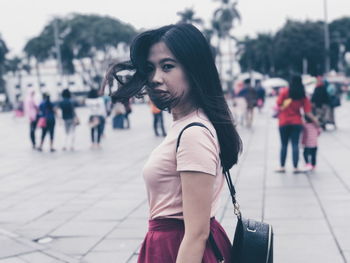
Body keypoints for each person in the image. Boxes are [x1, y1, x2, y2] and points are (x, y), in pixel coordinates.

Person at [102, 23, 242, 263]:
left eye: (167, 67)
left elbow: (197, 233)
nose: (155, 78)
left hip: (179, 246)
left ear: (193, 69)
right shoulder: (188, 124)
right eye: (150, 68)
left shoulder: (193, 134)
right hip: (174, 243)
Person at [275, 75, 319, 174]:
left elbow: (278, 104)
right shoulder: (302, 94)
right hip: (296, 122)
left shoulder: (285, 92)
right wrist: (316, 122)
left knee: (284, 144)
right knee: (295, 144)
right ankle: (295, 167)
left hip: (283, 122)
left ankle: (282, 166)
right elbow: (307, 112)